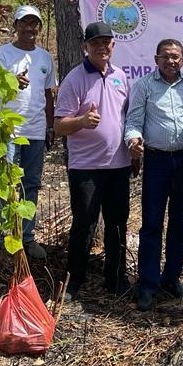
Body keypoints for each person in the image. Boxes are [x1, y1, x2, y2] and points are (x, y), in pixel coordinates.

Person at [54, 21, 131, 300]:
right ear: (85, 47)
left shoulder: (120, 77)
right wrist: (83, 121)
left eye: (106, 42)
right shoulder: (74, 79)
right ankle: (73, 283)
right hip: (86, 167)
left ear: (113, 45)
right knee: (84, 224)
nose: (101, 47)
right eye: (95, 43)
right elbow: (59, 126)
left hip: (119, 165)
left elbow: (126, 118)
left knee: (118, 223)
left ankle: (116, 279)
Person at [124, 39, 183, 311]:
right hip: (156, 161)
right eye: (166, 56)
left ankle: (172, 278)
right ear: (156, 59)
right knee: (152, 224)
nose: (171, 61)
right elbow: (133, 121)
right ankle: (147, 284)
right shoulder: (144, 85)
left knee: (180, 223)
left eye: (176, 57)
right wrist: (133, 140)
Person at [0, 5, 57, 263]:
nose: (30, 28)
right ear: (15, 25)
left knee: (31, 185)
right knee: (4, 185)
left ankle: (27, 236)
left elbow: (48, 94)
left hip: (35, 131)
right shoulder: (1, 54)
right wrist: (12, 81)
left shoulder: (45, 58)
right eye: (25, 23)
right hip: (7, 131)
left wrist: (50, 126)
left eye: (35, 24)